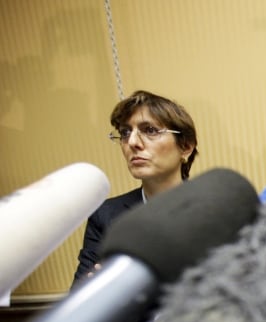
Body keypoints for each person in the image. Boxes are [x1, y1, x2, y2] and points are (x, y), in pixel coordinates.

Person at [72, 90, 198, 286]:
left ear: (186, 147)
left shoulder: (219, 209)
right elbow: (78, 297)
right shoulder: (106, 215)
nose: (132, 143)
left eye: (150, 130)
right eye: (125, 133)